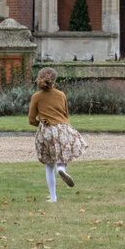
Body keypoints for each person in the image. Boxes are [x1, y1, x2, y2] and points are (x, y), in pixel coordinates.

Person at [28, 67, 89, 203]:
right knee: (61, 155)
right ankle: (61, 168)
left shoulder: (36, 97)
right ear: (54, 80)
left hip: (47, 130)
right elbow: (65, 114)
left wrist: (42, 126)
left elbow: (31, 120)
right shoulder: (61, 95)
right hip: (62, 128)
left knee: (49, 164)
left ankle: (53, 197)